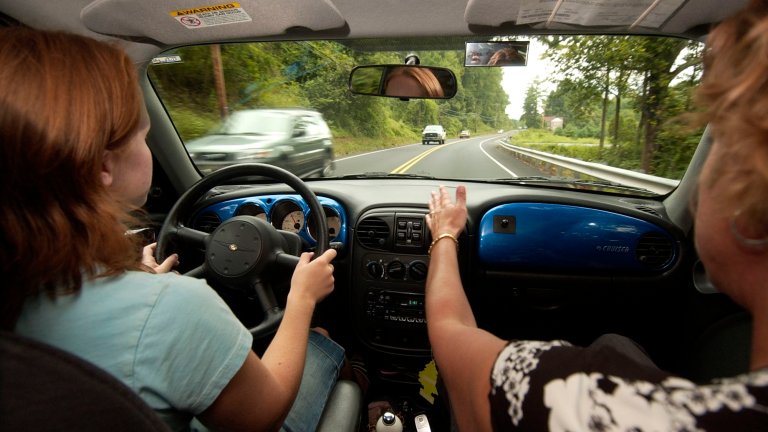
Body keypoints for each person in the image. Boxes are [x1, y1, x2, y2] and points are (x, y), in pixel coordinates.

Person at [423, 1, 768, 430]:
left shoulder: (592, 402)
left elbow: (450, 333)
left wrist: (445, 233)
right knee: (619, 342)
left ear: (747, 202)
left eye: (719, 149)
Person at [0, 27, 344, 431]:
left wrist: (137, 285)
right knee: (320, 340)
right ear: (103, 166)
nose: (148, 147)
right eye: (144, 135)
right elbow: (262, 418)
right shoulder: (173, 307)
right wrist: (303, 298)